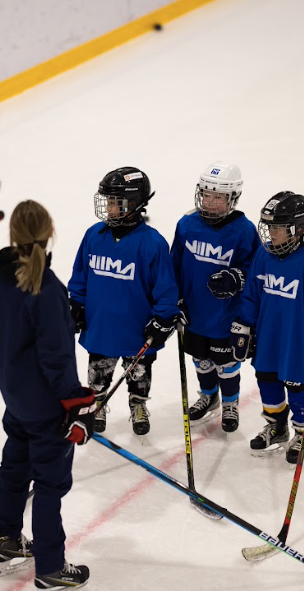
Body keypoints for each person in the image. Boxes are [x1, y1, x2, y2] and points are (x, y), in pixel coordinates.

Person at [0, 200, 94, 590]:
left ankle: (7, 540)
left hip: (15, 397)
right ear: (50, 234)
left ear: (13, 234)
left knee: (15, 467)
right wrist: (77, 406)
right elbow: (57, 358)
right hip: (47, 406)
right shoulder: (46, 289)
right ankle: (50, 566)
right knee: (50, 484)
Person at [68, 167, 181, 436]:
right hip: (101, 325)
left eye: (114, 202)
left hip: (136, 329)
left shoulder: (152, 243)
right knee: (98, 372)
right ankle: (97, 404)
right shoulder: (93, 235)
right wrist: (77, 304)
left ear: (133, 204)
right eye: (106, 201)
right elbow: (80, 276)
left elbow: (165, 289)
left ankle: (138, 404)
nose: (108, 208)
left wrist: (163, 318)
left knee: (140, 373)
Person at [232, 191, 304, 464]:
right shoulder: (263, 256)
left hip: (298, 343)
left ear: (298, 229)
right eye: (269, 228)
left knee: (299, 389)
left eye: (278, 229)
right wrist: (244, 325)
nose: (272, 235)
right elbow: (252, 295)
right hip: (268, 339)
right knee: (267, 382)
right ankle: (276, 426)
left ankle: (302, 432)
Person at [171, 162, 260, 433]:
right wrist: (174, 300)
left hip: (226, 315)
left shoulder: (244, 230)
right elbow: (173, 266)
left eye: (218, 197)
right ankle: (208, 396)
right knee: (201, 359)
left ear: (232, 198)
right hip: (195, 312)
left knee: (227, 363)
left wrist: (237, 278)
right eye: (206, 195)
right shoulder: (187, 224)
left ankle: (230, 403)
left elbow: (255, 270)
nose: (210, 202)